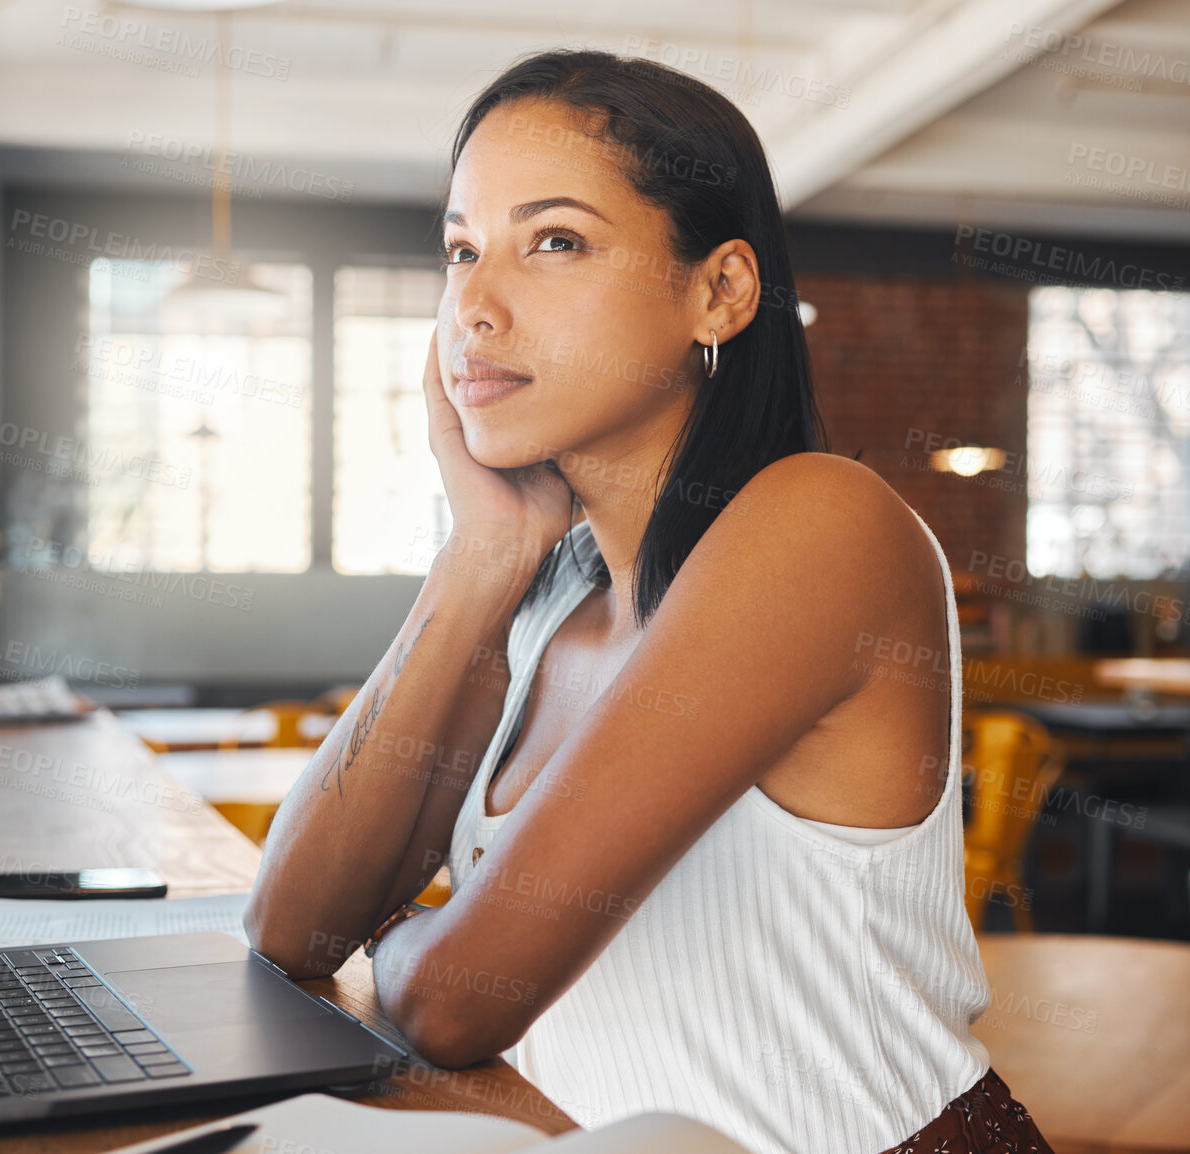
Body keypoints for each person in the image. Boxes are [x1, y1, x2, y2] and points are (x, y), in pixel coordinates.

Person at [244, 48, 1051, 1154]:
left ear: (718, 291)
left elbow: (454, 1003)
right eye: (461, 249)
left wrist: (391, 940)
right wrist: (484, 550)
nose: (473, 307)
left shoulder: (819, 524)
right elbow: (289, 927)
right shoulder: (547, 589)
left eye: (555, 242)